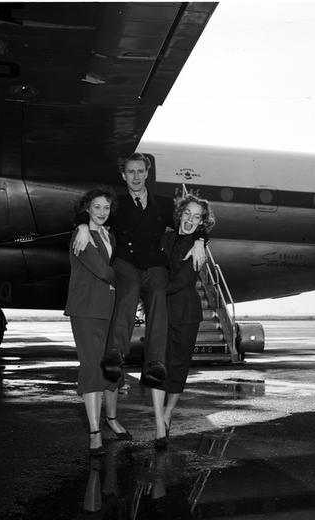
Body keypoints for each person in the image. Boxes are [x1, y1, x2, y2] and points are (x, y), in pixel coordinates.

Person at [72, 153, 206, 389]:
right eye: (130, 172)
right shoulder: (117, 204)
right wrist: (82, 226)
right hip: (126, 261)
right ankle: (115, 353)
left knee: (158, 295)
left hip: (154, 263)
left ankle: (155, 362)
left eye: (140, 171)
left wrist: (200, 241)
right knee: (129, 289)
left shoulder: (164, 204)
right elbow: (89, 210)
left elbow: (192, 222)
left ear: (147, 173)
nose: (136, 176)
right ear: (124, 176)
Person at [65, 188, 132, 456]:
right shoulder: (81, 235)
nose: (102, 212)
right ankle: (94, 431)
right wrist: (131, 281)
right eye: (96, 207)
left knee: (112, 364)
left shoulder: (109, 235)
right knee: (93, 367)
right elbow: (102, 270)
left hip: (110, 309)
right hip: (87, 309)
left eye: (106, 207)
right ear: (87, 209)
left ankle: (111, 419)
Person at [151, 195, 216, 449]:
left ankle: (168, 413)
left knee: (178, 367)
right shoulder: (165, 238)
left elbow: (181, 281)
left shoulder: (197, 246)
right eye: (187, 213)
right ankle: (159, 424)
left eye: (196, 217)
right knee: (156, 364)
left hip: (185, 313)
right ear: (180, 214)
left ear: (201, 222)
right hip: (161, 309)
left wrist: (152, 293)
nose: (190, 219)